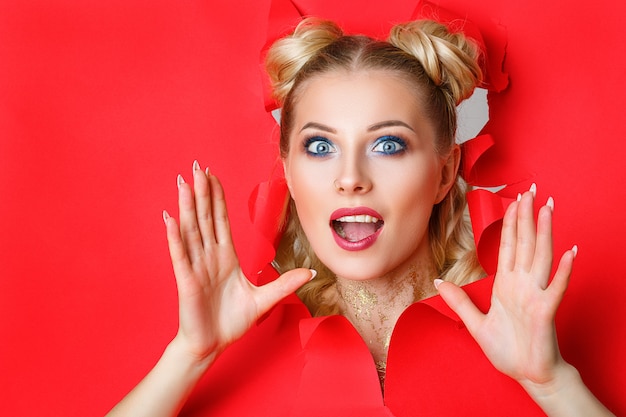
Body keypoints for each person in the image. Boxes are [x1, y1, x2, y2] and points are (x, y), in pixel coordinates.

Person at [106, 18, 614, 416]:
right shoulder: (239, 344)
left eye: (388, 145)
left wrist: (553, 384)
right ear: (287, 170)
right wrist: (189, 355)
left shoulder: (510, 337)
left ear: (445, 173)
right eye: (320, 146)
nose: (350, 177)